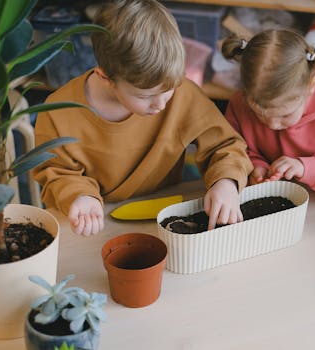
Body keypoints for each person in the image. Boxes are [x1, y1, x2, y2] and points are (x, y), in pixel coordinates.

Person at [33, 0, 253, 236]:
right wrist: (80, 195)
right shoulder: (57, 112)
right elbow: (56, 173)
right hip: (95, 224)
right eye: (145, 95)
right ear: (105, 77)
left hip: (163, 213)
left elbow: (225, 145)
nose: (161, 104)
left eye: (170, 88)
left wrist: (226, 182)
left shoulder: (182, 93)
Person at [222, 29, 315, 200]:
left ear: (311, 85)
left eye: (285, 115)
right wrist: (256, 167)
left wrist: (305, 167)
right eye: (259, 114)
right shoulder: (240, 104)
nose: (272, 125)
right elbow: (234, 149)